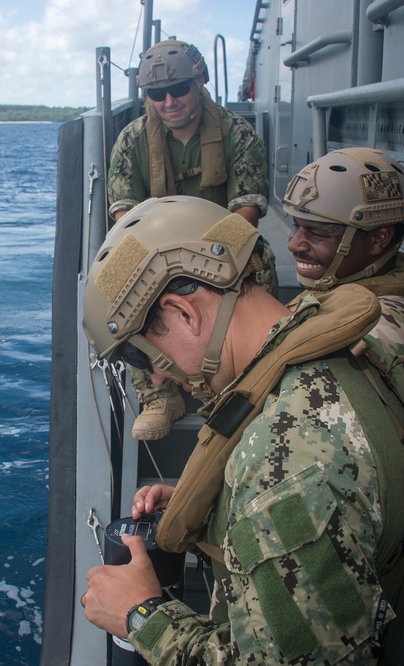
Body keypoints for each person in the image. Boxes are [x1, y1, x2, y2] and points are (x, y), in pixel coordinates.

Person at [80, 196, 404, 664]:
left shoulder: (283, 467)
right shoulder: (327, 346)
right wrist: (228, 498)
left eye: (141, 355)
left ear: (185, 312)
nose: (157, 377)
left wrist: (140, 615)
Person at [106, 39, 275, 440]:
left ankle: (248, 378)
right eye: (157, 94)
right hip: (158, 248)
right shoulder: (132, 141)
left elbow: (246, 212)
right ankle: (158, 395)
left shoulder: (237, 134)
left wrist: (206, 259)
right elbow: (124, 216)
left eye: (178, 89)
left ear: (200, 82)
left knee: (259, 256)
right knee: (121, 280)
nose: (169, 102)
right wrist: (166, 262)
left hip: (220, 244)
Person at [282, 147, 404, 392]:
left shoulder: (375, 329)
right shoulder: (344, 288)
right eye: (296, 227)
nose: (293, 244)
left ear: (378, 239)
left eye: (316, 233)